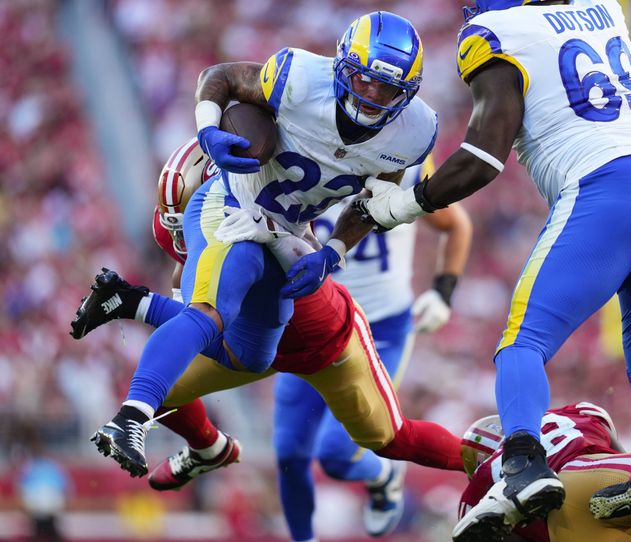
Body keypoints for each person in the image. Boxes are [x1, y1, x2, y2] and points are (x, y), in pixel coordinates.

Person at [350, 1, 631, 541]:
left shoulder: (494, 31)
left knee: (521, 344)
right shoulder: (600, 11)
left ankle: (523, 469)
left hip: (606, 188)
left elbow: (484, 157)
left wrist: (399, 206)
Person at [90, 10, 439, 477]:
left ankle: (131, 301)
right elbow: (220, 77)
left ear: (407, 95)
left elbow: (373, 202)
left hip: (288, 231)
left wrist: (333, 252)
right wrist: (208, 127)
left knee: (251, 357)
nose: (371, 95)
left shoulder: (412, 134)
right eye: (363, 79)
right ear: (341, 67)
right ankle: (130, 419)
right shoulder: (298, 78)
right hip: (233, 206)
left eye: (387, 88)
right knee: (214, 308)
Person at [73, 136, 464, 496]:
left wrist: (140, 305)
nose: (185, 238)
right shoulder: (213, 221)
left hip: (326, 343)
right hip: (256, 341)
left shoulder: (272, 207)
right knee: (158, 381)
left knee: (390, 438)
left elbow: (214, 311)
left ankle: (486, 462)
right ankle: (210, 448)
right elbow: (196, 305)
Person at [273, 155, 472, 540]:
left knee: (336, 455)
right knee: (288, 455)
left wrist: (444, 291)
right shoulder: (295, 156)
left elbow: (455, 224)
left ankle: (384, 474)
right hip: (313, 325)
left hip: (379, 327)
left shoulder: (404, 160)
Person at [458, 403, 631, 542]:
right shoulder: (577, 413)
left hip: (566, 531)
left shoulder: (483, 481)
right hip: (582, 475)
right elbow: (616, 452)